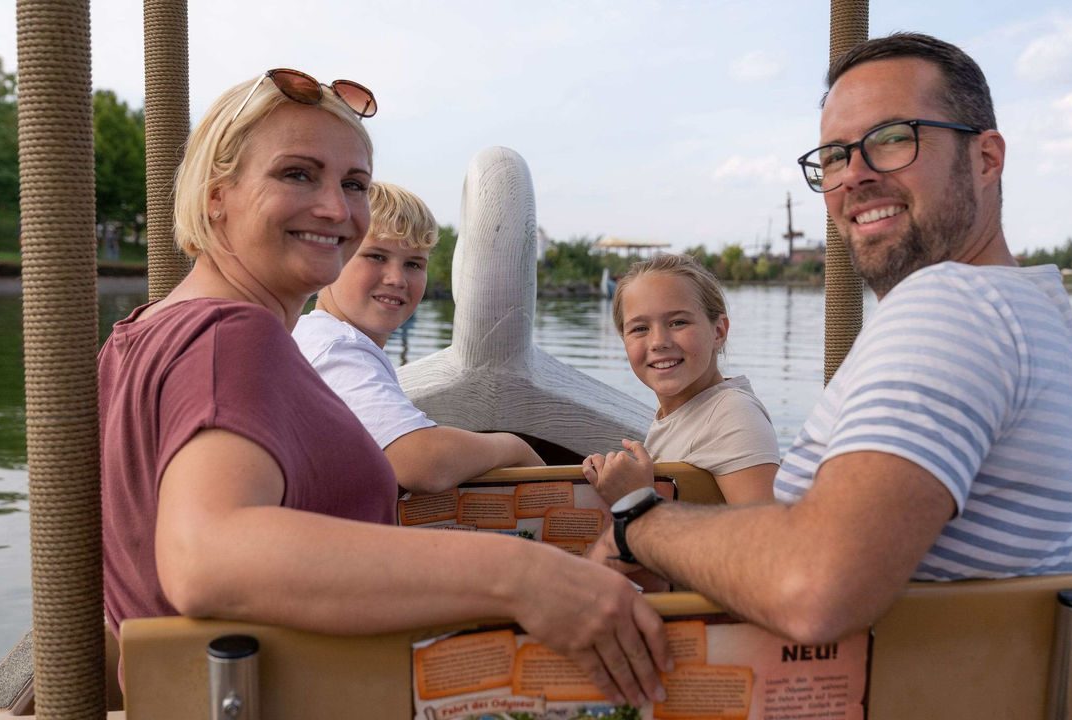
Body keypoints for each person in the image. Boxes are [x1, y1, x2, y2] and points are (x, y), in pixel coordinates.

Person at [98, 68, 669, 706]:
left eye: (354, 184)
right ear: (215, 195)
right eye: (296, 174)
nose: (336, 209)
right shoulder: (231, 337)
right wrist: (523, 575)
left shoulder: (143, 330)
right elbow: (207, 556)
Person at [586, 33, 1072, 646]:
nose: (854, 176)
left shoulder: (951, 305)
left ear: (986, 158)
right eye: (834, 156)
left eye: (893, 139)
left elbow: (815, 586)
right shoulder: (1027, 306)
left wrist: (638, 521)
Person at [293, 182, 543, 494]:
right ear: (326, 260)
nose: (397, 279)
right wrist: (512, 447)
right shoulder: (336, 350)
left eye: (413, 263)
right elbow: (421, 463)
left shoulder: (315, 335)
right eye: (376, 256)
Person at [581, 254, 779, 505]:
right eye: (640, 328)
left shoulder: (732, 415)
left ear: (718, 332)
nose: (658, 342)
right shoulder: (681, 413)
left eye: (678, 322)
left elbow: (767, 537)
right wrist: (524, 455)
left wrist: (639, 501)